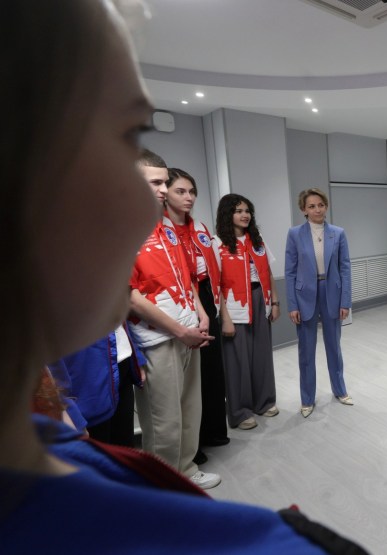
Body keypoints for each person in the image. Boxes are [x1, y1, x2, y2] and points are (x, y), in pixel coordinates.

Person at [0, 1, 365, 552]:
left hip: (221, 318)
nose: (144, 206)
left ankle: (203, 453)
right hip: (186, 329)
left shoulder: (54, 434)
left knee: (186, 410)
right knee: (168, 415)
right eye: (119, 136)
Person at [129, 148, 220, 489]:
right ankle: (163, 486)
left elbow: (186, 277)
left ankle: (186, 468)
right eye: (155, 183)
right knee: (163, 420)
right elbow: (129, 295)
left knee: (189, 408)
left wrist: (201, 313)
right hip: (159, 338)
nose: (164, 190)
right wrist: (180, 331)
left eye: (165, 182)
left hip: (188, 330)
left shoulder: (164, 225)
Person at [166, 167, 230, 462]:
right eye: (180, 191)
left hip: (206, 297)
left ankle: (214, 431)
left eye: (192, 191)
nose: (188, 197)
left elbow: (215, 270)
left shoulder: (200, 229)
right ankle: (192, 446)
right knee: (189, 381)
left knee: (212, 371)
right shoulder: (161, 231)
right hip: (181, 303)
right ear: (165, 193)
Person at [284, 188, 353, 418]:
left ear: (326, 206)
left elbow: (345, 268)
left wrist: (345, 301)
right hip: (305, 296)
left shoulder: (338, 233)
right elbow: (290, 271)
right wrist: (292, 305)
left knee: (334, 347)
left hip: (331, 293)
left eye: (320, 205)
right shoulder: (295, 234)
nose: (317, 210)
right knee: (306, 351)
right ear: (303, 210)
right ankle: (307, 399)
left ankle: (340, 390)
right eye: (311, 206)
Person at [215, 194, 280, 430]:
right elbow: (216, 284)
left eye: (247, 211)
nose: (245, 215)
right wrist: (225, 318)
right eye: (238, 211)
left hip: (260, 299)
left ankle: (264, 402)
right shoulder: (217, 244)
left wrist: (275, 302)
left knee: (262, 355)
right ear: (227, 214)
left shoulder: (257, 241)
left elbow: (268, 273)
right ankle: (240, 412)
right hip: (234, 305)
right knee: (237, 361)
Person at [51, 324, 146, 447]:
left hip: (120, 362)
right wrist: (65, 406)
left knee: (124, 447)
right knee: (98, 447)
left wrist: (135, 355)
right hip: (84, 379)